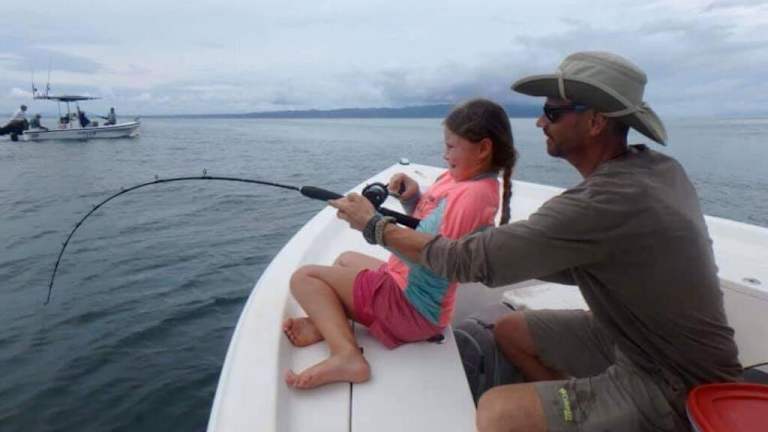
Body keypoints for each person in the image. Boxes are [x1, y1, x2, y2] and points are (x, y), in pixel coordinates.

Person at [330, 52, 741, 432]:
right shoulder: (657, 171)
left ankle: (597, 412)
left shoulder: (603, 202)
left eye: (552, 112)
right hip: (627, 337)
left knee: (496, 412)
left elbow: (470, 263)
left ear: (596, 122)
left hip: (673, 380)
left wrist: (375, 226)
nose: (540, 122)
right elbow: (578, 259)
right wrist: (494, 244)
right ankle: (579, 416)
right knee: (511, 331)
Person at [282, 98, 517, 390]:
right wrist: (413, 198)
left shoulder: (474, 197)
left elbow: (438, 260)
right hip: (407, 286)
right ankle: (328, 325)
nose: (445, 154)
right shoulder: (458, 179)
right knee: (345, 258)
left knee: (304, 278)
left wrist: (372, 224)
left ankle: (347, 355)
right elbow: (428, 226)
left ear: (483, 149)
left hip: (411, 309)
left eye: (451, 147)